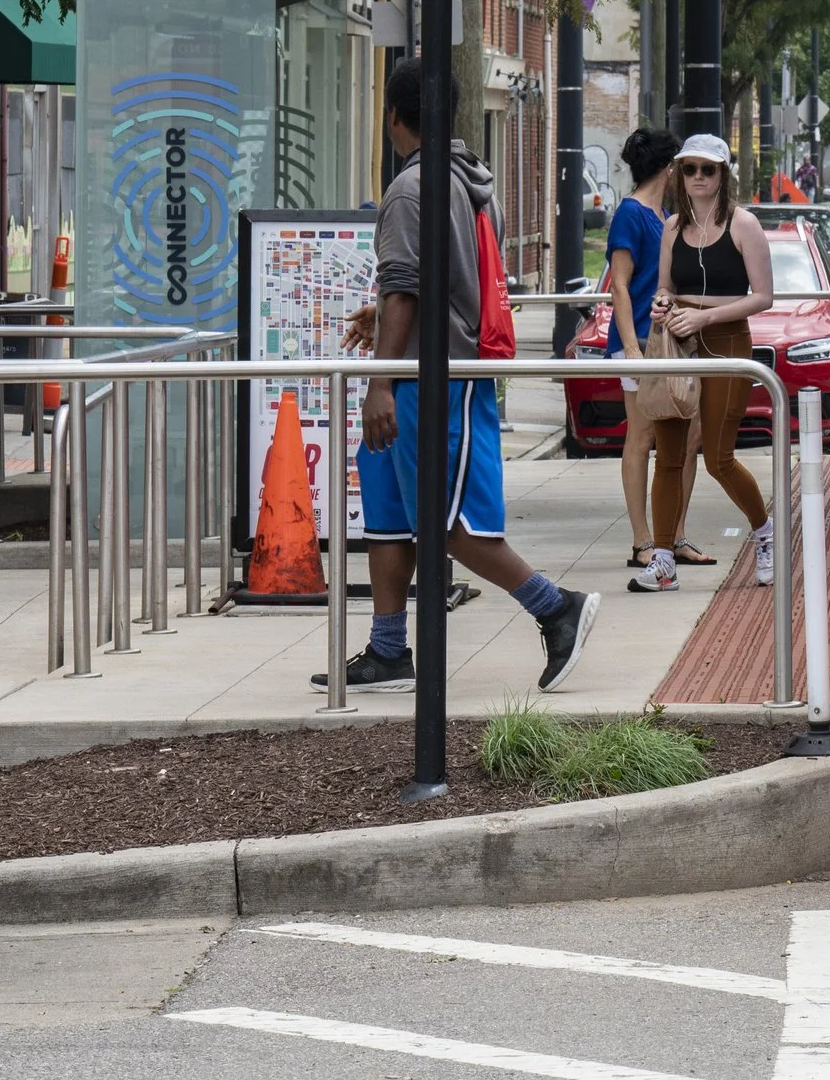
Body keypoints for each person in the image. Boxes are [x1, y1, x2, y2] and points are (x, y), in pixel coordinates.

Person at [315, 59, 597, 693]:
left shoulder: (412, 189)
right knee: (388, 517)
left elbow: (410, 287)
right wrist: (387, 313)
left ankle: (557, 608)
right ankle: (389, 650)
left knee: (448, 523)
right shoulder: (463, 180)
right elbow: (434, 284)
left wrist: (381, 379)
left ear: (393, 115)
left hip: (429, 382)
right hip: (429, 368)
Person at [633, 134, 779, 592]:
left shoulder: (743, 224)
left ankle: (765, 533)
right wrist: (662, 305)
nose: (698, 177)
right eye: (689, 168)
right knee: (668, 454)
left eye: (708, 169)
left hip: (726, 340)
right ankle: (663, 559)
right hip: (678, 341)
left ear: (723, 175)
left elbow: (763, 296)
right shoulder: (672, 226)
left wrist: (706, 315)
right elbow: (664, 286)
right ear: (678, 173)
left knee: (718, 457)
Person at [578, 126, 706, 577]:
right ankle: (642, 540)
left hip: (669, 342)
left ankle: (674, 536)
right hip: (639, 344)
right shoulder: (631, 213)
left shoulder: (665, 213)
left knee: (688, 439)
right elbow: (619, 284)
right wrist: (631, 348)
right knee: (643, 436)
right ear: (668, 167)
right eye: (682, 166)